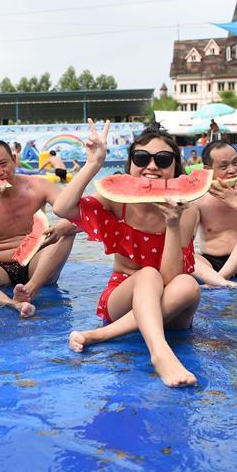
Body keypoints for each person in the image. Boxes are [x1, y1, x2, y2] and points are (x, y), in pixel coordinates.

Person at [53, 121, 201, 388]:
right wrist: (94, 163)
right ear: (130, 164)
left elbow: (170, 278)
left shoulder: (188, 212)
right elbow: (62, 209)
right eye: (142, 158)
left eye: (163, 160)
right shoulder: (117, 202)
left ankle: (99, 335)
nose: (152, 166)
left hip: (171, 304)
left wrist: (172, 223)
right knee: (148, 274)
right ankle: (160, 353)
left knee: (188, 285)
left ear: (175, 168)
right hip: (123, 298)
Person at [0, 139, 77, 314]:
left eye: (3, 164)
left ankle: (30, 290)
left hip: (39, 264)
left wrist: (62, 227)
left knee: (67, 229)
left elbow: (82, 216)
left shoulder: (39, 186)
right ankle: (11, 303)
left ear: (14, 160)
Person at [190, 141, 237, 289]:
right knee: (179, 250)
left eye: (235, 163)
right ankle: (222, 281)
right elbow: (186, 243)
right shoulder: (198, 200)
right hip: (210, 264)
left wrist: (235, 202)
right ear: (208, 170)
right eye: (224, 166)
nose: (232, 170)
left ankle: (219, 280)